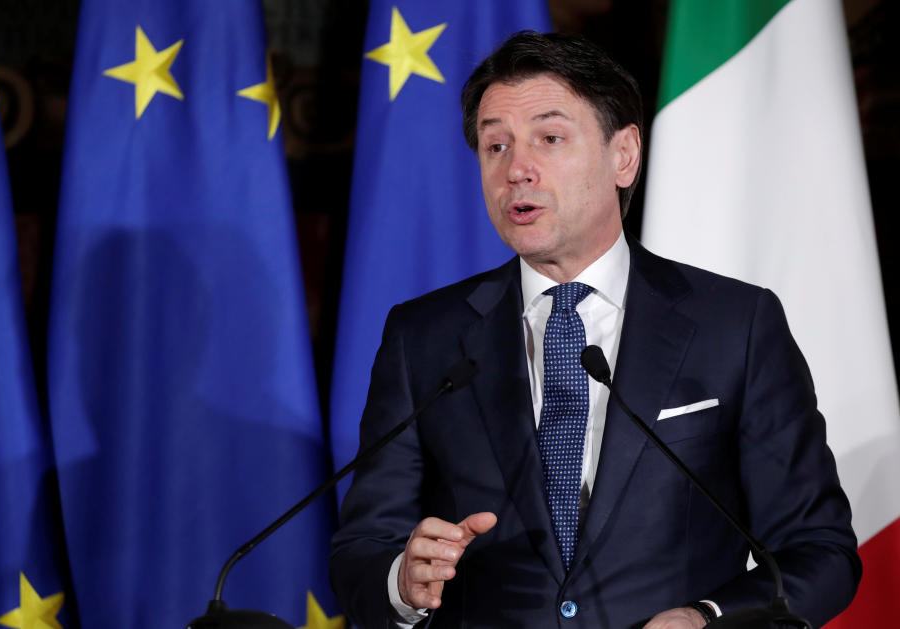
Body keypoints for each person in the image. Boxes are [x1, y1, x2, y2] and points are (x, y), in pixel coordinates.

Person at [329, 31, 860, 628]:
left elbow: (820, 551)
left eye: (549, 139)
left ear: (624, 155)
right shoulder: (423, 336)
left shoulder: (734, 325)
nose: (517, 170)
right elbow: (360, 551)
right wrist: (401, 582)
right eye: (494, 145)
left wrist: (708, 618)